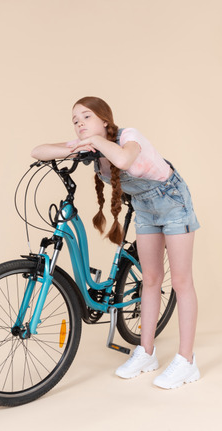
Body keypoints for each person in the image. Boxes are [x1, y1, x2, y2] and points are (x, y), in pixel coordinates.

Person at [31, 96, 200, 389]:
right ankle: (146, 352)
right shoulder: (92, 148)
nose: (80, 123)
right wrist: (75, 145)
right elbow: (38, 151)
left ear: (105, 120)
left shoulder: (127, 137)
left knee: (181, 282)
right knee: (150, 279)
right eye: (75, 120)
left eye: (86, 117)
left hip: (172, 202)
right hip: (145, 208)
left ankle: (187, 361)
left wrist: (94, 141)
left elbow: (123, 159)